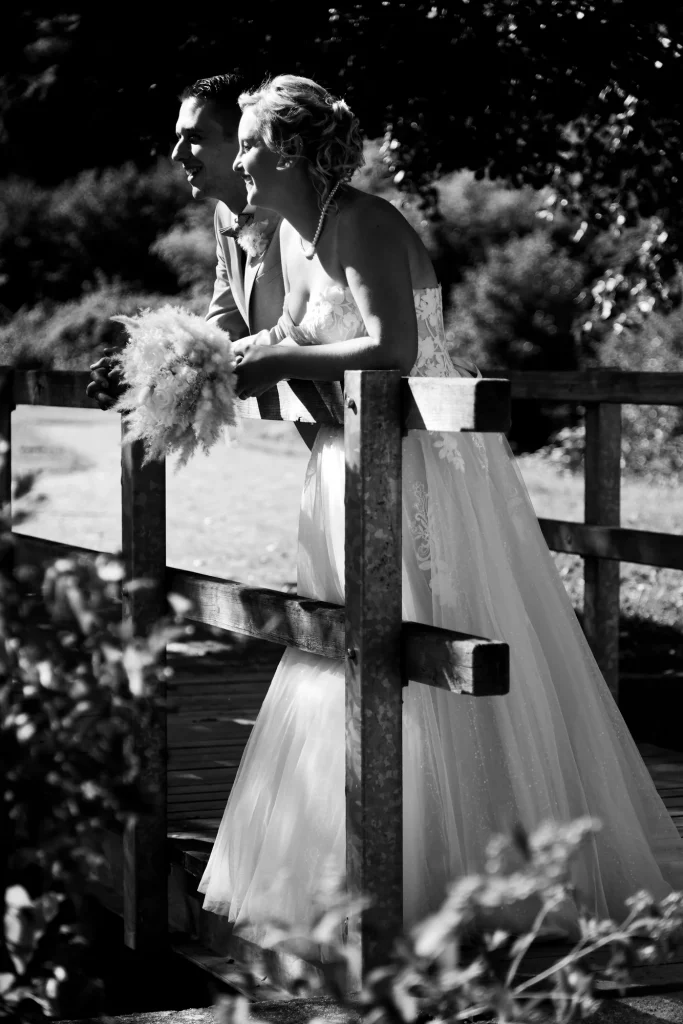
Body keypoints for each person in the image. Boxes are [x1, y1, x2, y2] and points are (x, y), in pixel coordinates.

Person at [198, 74, 683, 946]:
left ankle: (477, 868)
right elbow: (280, 334)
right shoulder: (291, 238)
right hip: (345, 463)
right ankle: (366, 871)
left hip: (424, 465)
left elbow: (394, 346)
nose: (237, 161)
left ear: (293, 152)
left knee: (427, 635)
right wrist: (226, 354)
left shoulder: (364, 222)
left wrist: (278, 364)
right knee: (345, 643)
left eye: (249, 145)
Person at [86, 74, 287, 416]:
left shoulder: (299, 214)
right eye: (178, 138)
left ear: (245, 138)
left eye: (194, 138)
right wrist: (145, 372)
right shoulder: (225, 215)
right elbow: (221, 331)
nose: (177, 154)